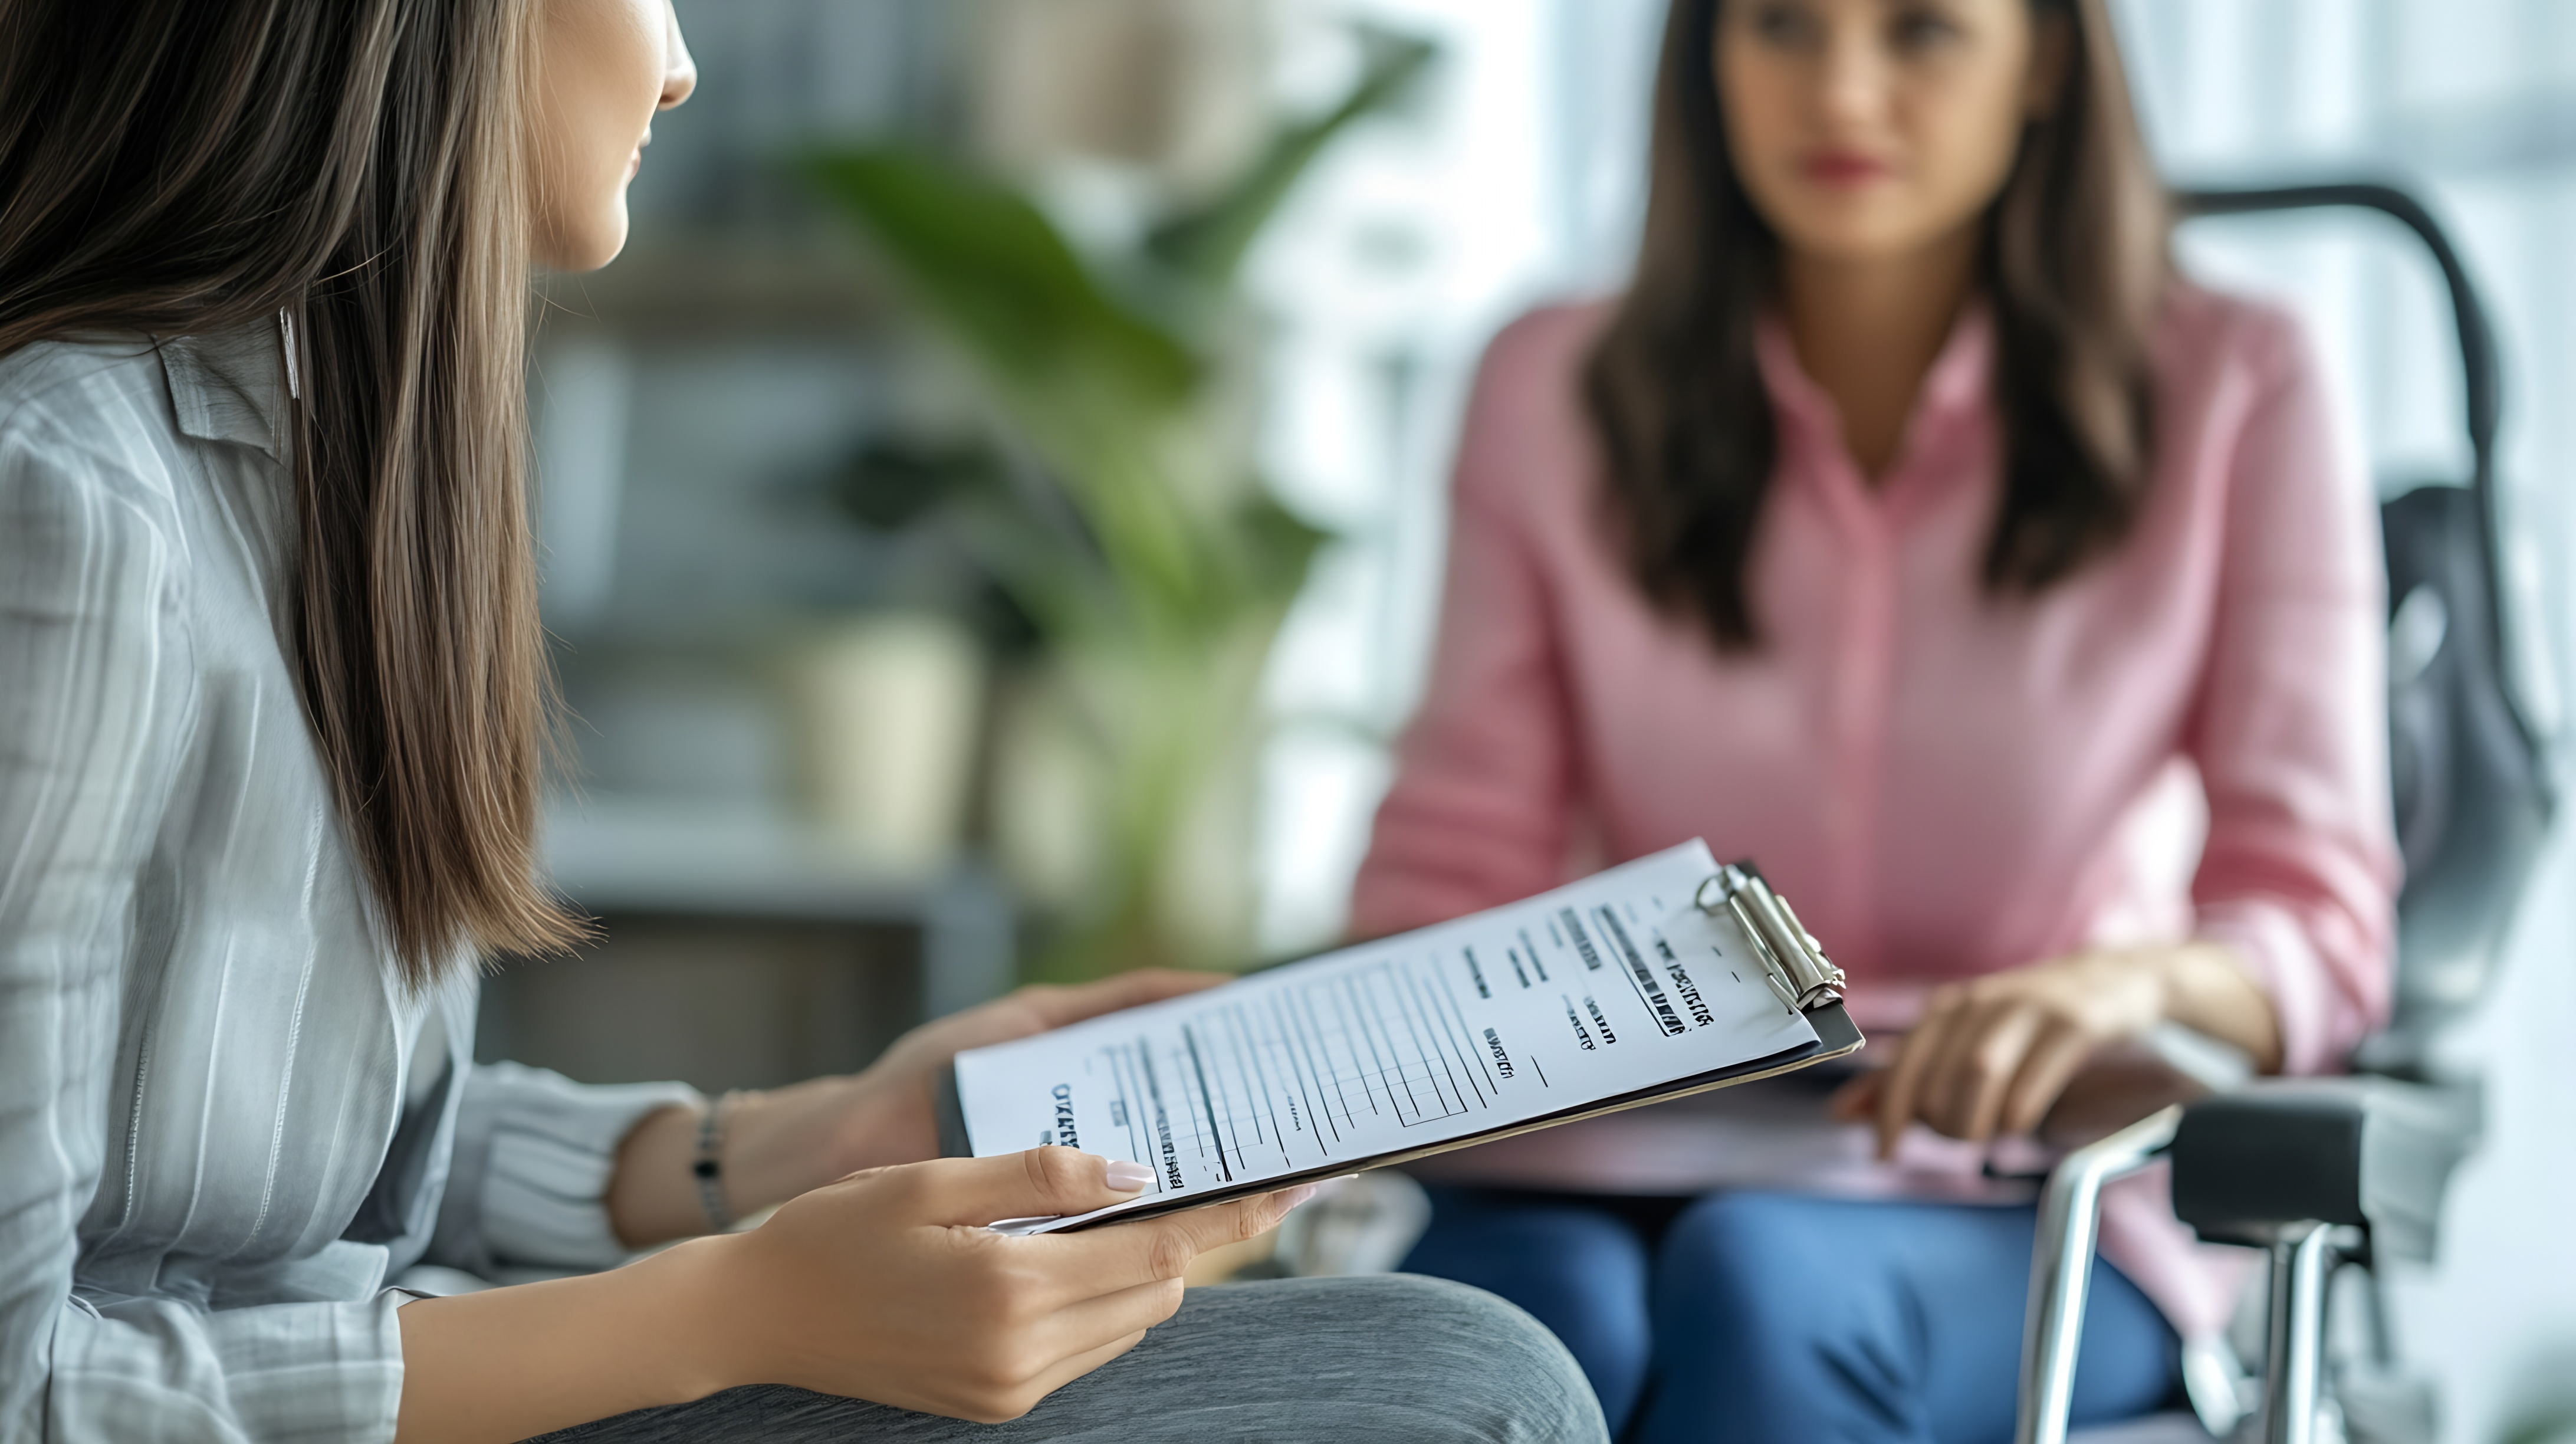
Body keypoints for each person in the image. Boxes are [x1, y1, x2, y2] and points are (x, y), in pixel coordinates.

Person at [0, 1, 1610, 1440]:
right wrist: (724, 1310)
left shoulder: (316, 462)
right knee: (1466, 1386)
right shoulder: (59, 509)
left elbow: (315, 1175)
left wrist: (790, 1143)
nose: (686, 62)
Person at [1352, 0, 2398, 1439]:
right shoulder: (1548, 390)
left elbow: (2317, 917)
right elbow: (1447, 869)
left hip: (2020, 1182)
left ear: (2042, 53)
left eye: (1920, 30)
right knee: (1503, 1354)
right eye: (1781, 24)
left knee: (1768, 1295)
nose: (1840, 91)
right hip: (1594, 1162)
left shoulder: (2243, 385)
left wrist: (2130, 984)